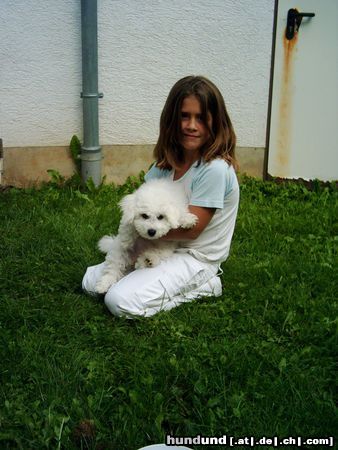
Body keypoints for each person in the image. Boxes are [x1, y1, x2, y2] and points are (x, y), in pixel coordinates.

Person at [82, 75, 240, 318]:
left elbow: (192, 230)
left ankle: (206, 286)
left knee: (118, 301)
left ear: (215, 122)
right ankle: (139, 278)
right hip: (156, 245)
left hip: (193, 257)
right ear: (171, 120)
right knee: (90, 283)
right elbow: (141, 205)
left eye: (200, 117)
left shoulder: (214, 169)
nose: (191, 125)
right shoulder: (165, 165)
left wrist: (137, 229)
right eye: (184, 116)